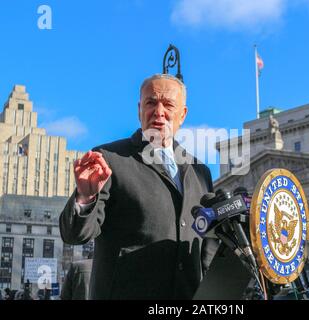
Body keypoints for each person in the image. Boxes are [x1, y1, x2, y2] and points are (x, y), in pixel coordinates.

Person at [59, 74, 219, 300]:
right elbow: (75, 234)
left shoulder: (200, 172)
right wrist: (85, 197)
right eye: (151, 102)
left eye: (169, 104)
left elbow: (208, 243)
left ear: (182, 114)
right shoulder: (109, 159)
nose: (159, 112)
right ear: (139, 109)